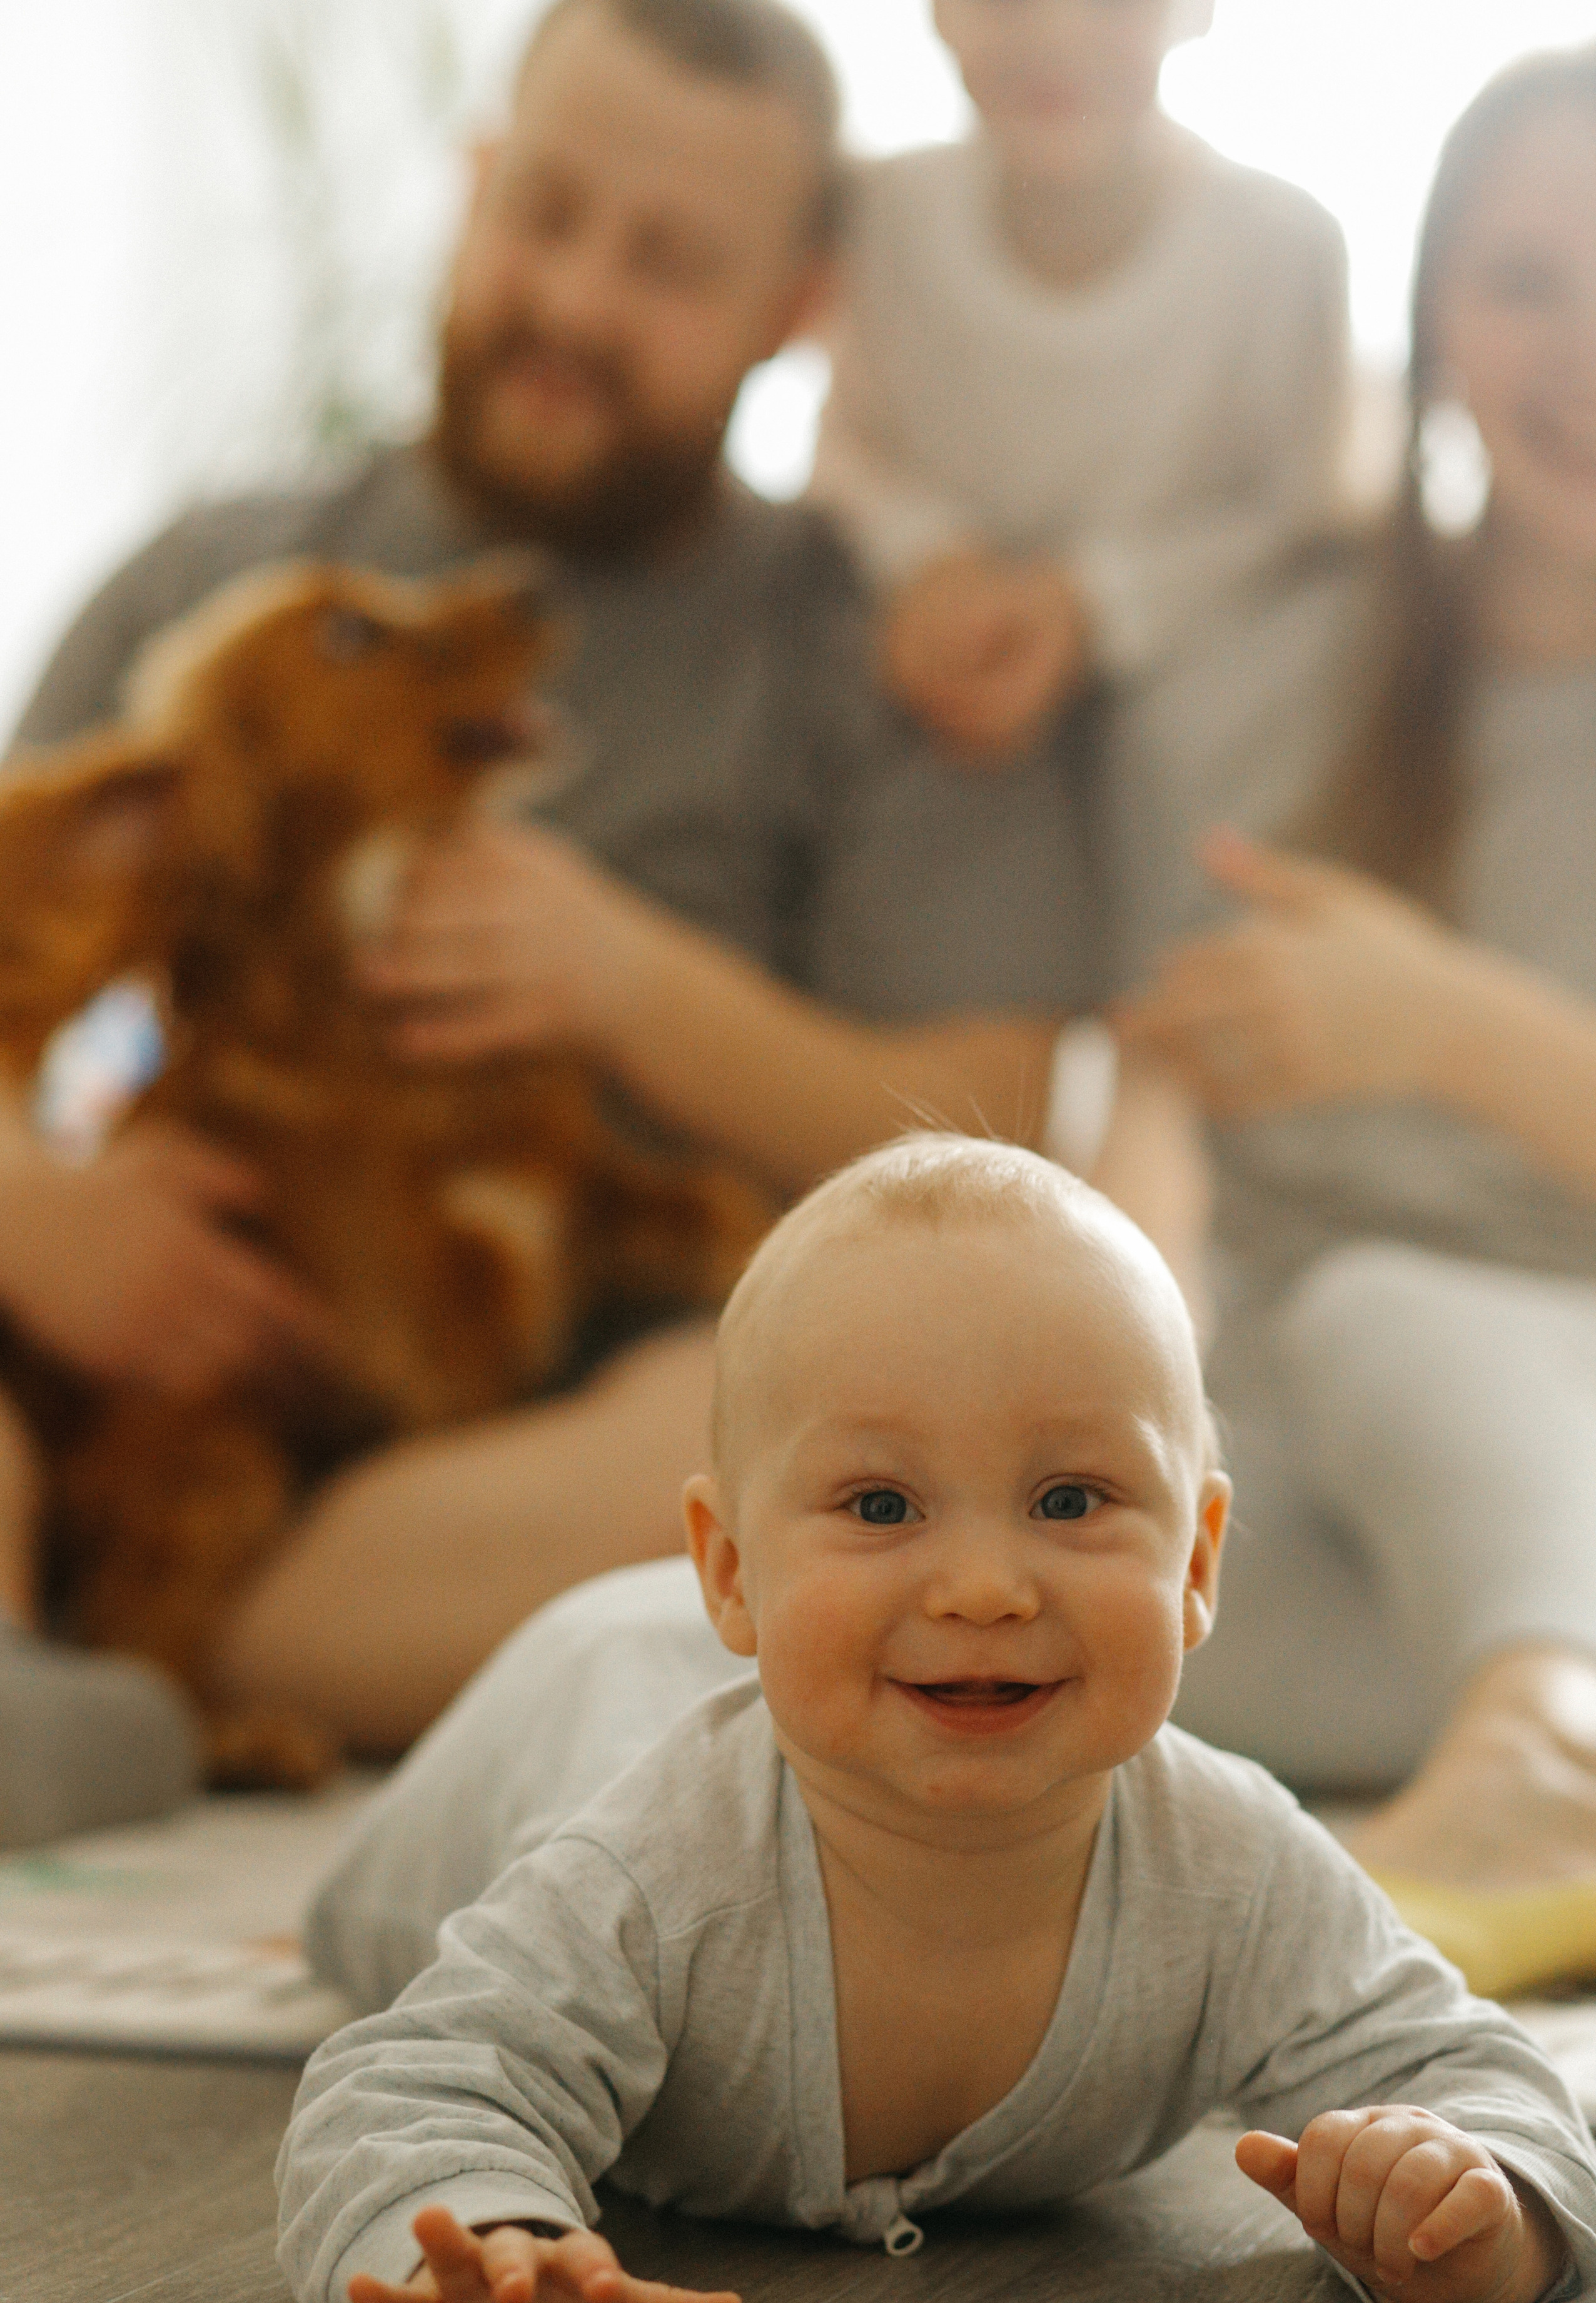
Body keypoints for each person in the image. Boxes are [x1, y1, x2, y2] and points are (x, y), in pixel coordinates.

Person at [0, 0, 1090, 1840]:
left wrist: (623, 978)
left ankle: (142, 1651)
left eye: (665, 261)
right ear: (478, 181)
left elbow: (1005, 1138)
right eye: (548, 214)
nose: (575, 300)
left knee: (820, 1431)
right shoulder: (215, 583)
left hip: (580, 1372)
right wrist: (41, 1214)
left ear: (797, 306)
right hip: (176, 1337)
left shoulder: (862, 647)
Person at [278, 1138, 1596, 2303]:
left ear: (1194, 1563)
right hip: (569, 1708)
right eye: (880, 1505)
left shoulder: (1231, 1868)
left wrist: (1477, 2212)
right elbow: (416, 2085)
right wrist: (484, 2249)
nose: (981, 1588)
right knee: (381, 1943)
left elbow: (1469, 2074)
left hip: (738, 1673)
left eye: (1068, 1501)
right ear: (729, 1572)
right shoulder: (642, 1871)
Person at [1104, 43, 1596, 1997]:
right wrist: (1101, 1371)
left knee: (1394, 1307)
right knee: (1066, 1596)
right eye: (1521, 282)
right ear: (1432, 326)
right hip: (1307, 1445)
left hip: (1531, 1370)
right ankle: (1530, 1700)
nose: (1581, 344)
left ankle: (1548, 1742)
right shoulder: (1265, 684)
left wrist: (1443, 1020)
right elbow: (1155, 1085)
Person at [807, 0, 1352, 766]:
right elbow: (845, 450)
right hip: (913, 687)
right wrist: (932, 561)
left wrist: (1090, 603)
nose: (1057, 36)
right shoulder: (883, 210)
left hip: (1183, 720)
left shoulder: (1284, 246)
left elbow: (1296, 522)